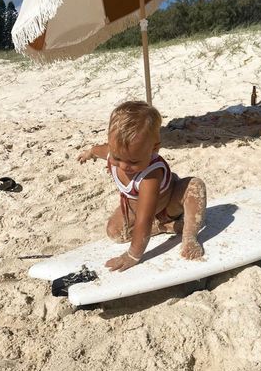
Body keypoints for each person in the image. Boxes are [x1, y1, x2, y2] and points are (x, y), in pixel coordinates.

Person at [77, 100, 206, 271]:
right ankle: (164, 227)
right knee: (115, 233)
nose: (123, 166)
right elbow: (99, 150)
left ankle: (189, 236)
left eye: (133, 161)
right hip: (137, 208)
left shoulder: (150, 177)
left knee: (195, 187)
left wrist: (133, 255)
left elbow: (144, 219)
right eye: (117, 157)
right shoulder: (114, 153)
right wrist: (89, 153)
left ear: (155, 149)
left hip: (169, 204)